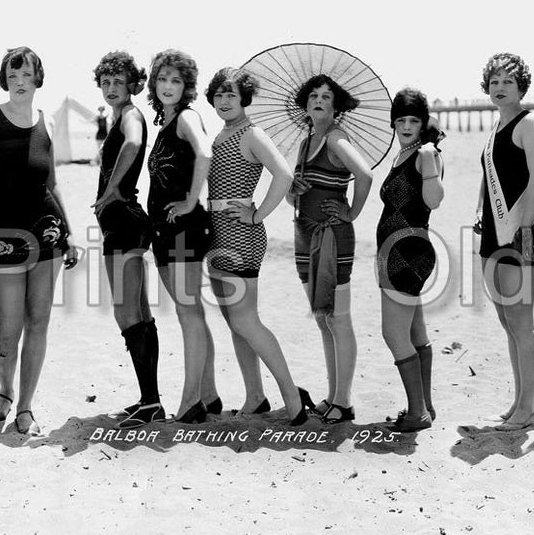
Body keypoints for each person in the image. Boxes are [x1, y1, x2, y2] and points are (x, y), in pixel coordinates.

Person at [0, 46, 78, 436]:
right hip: (2, 233)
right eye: (13, 75)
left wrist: (69, 230)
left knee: (39, 321)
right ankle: (6, 391)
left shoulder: (46, 121)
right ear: (5, 79)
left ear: (37, 79)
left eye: (26, 75)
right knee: (6, 327)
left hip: (47, 230)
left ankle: (26, 406)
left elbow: (52, 182)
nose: (19, 82)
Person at [205, 67, 311, 424]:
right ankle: (255, 396)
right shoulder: (221, 134)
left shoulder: (251, 133)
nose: (224, 100)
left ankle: (293, 398)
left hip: (240, 234)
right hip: (217, 232)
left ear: (244, 98)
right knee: (235, 322)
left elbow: (282, 174)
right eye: (219, 94)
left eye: (231, 94)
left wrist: (258, 214)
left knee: (247, 320)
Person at [145, 50, 225, 424]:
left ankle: (191, 399)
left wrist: (192, 200)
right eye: (163, 79)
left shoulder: (188, 117)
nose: (168, 86)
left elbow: (205, 153)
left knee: (189, 313)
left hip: (183, 230)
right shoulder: (168, 122)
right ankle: (207, 394)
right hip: (166, 231)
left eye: (176, 80)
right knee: (189, 313)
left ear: (186, 86)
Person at [288, 74, 372, 425]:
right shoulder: (307, 142)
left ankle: (344, 401)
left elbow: (365, 175)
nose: (319, 100)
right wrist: (295, 189)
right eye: (313, 96)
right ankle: (332, 396)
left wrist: (351, 211)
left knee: (339, 319)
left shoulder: (336, 138)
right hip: (305, 236)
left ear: (336, 107)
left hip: (333, 237)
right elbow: (291, 196)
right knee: (323, 319)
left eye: (326, 97)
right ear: (306, 105)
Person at [474, 53, 534, 431]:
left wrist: (526, 226)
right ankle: (519, 403)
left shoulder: (529, 124)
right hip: (491, 236)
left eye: (507, 81)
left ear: (521, 86)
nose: (500, 87)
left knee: (522, 324)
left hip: (518, 235)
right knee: (507, 322)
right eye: (494, 81)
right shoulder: (496, 130)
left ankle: (529, 409)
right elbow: (491, 182)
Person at [89, 52, 158, 427]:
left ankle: (150, 401)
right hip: (123, 221)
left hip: (124, 220)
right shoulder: (117, 116)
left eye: (119, 81)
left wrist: (111, 190)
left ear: (133, 84)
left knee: (126, 311)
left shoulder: (130, 115)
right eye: (106, 81)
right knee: (140, 312)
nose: (112, 87)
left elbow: (132, 145)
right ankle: (151, 401)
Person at [376, 88, 446, 432]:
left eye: (413, 120)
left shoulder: (424, 155)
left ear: (423, 122)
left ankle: (416, 412)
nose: (406, 126)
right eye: (400, 120)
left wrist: (430, 164)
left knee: (392, 332)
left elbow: (433, 202)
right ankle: (425, 406)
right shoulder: (403, 153)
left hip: (407, 252)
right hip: (394, 251)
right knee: (415, 331)